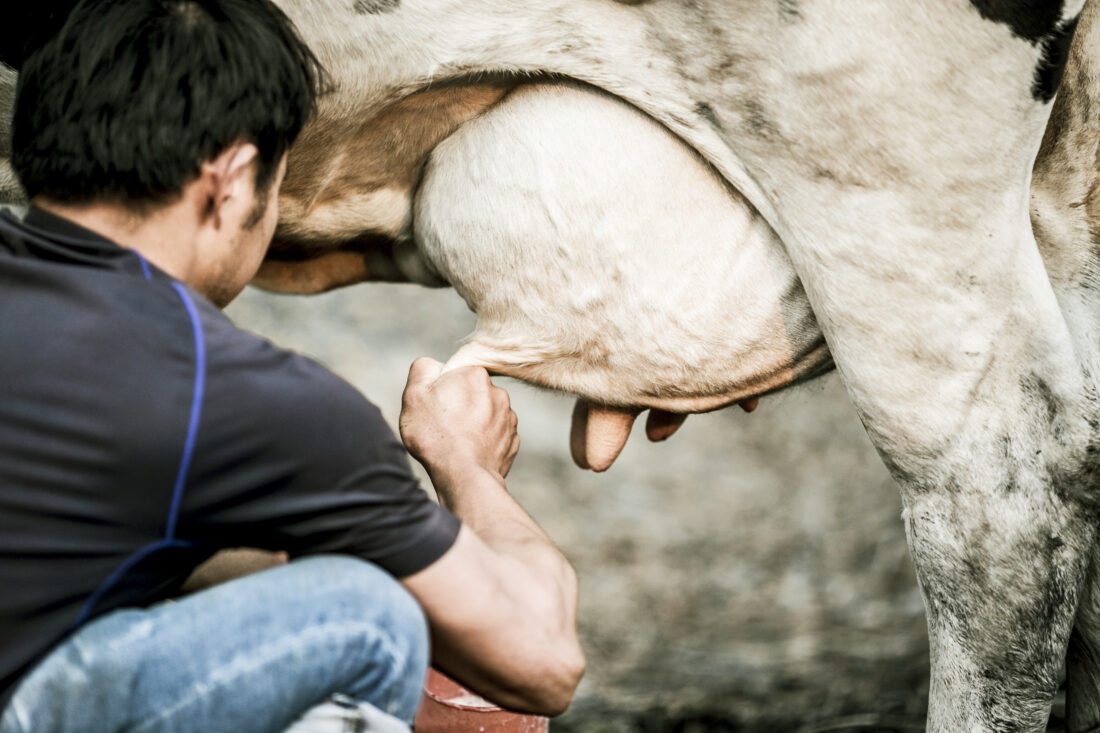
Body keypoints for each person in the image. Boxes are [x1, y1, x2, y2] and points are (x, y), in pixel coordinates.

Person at [0, 1, 584, 731]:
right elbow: (543, 659)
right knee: (365, 614)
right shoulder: (244, 398)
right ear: (234, 180)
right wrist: (468, 465)